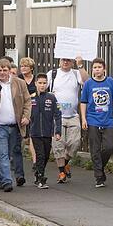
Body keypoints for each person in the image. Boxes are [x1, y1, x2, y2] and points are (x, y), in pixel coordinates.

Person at [0, 58, 32, 193]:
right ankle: (7, 181)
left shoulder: (19, 83)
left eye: (4, 70)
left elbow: (27, 101)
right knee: (2, 154)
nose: (2, 73)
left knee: (8, 154)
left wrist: (26, 116)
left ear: (9, 71)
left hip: (14, 125)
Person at [80, 59, 113, 188]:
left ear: (104, 69)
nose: (97, 69)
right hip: (92, 119)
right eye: (95, 67)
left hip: (108, 120)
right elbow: (83, 102)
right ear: (92, 69)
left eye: (99, 67)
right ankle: (99, 177)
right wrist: (84, 118)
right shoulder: (88, 84)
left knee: (109, 146)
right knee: (95, 149)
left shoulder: (110, 82)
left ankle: (100, 167)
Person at [48, 56, 88, 184]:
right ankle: (61, 172)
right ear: (59, 61)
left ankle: (65, 163)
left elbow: (87, 82)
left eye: (68, 60)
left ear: (72, 62)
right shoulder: (53, 74)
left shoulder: (76, 73)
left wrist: (80, 65)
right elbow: (41, 87)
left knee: (75, 143)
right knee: (58, 144)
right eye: (63, 60)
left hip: (73, 115)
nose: (65, 62)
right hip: (56, 116)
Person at [28, 73, 62, 189]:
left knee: (46, 155)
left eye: (44, 83)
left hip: (47, 132)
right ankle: (40, 178)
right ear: (36, 83)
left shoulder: (51, 97)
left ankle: (38, 173)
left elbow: (58, 114)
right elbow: (26, 113)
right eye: (40, 83)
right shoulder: (31, 97)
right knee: (40, 155)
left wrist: (58, 131)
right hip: (35, 132)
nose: (42, 85)